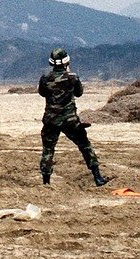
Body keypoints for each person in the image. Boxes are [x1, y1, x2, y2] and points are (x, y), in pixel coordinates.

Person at [39, 48, 110, 187]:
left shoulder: (45, 77)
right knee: (85, 146)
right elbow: (79, 93)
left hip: (51, 120)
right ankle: (98, 178)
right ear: (66, 61)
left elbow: (42, 93)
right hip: (70, 120)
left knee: (48, 150)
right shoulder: (73, 77)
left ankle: (46, 182)